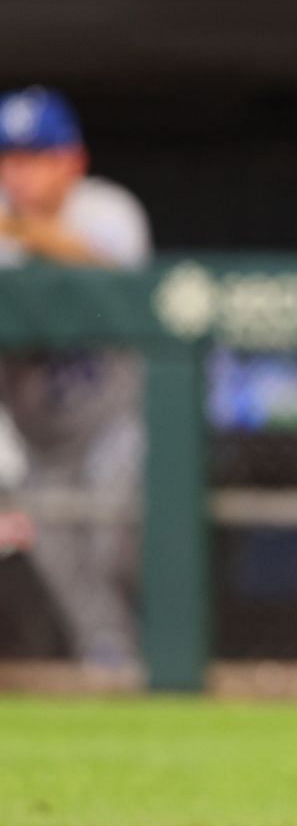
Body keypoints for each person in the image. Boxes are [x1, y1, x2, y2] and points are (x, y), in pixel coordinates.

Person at [0, 87, 150, 668]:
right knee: (62, 561)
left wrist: (26, 234)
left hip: (115, 421)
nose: (20, 173)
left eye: (35, 156)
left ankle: (169, 649)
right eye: (9, 158)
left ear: (73, 161)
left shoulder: (109, 210)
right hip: (37, 440)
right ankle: (109, 663)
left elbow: (113, 282)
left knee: (114, 543)